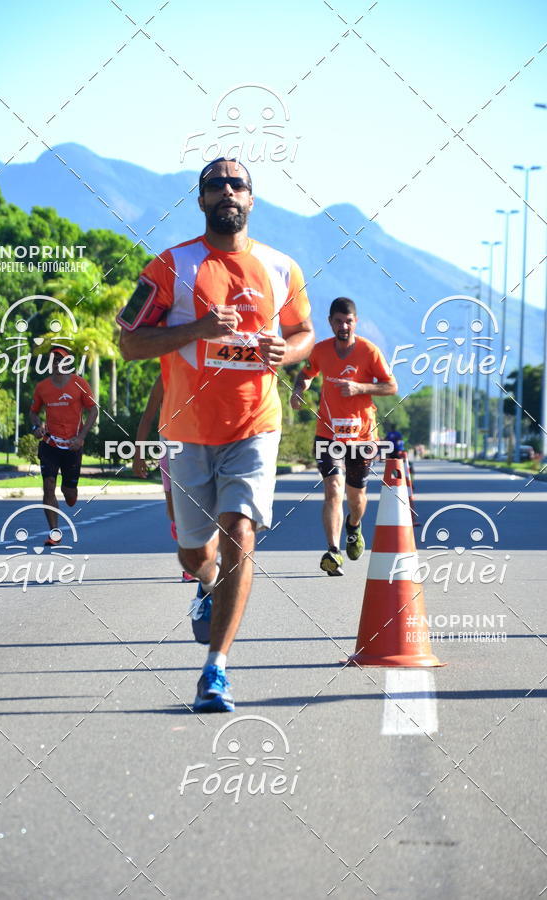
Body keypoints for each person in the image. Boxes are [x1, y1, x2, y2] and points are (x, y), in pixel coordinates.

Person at [118, 157, 314, 712]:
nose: (227, 191)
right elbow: (129, 344)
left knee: (240, 531)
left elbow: (303, 331)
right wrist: (199, 330)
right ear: (201, 200)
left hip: (256, 425)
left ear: (252, 199)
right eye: (215, 185)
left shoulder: (281, 268)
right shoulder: (168, 267)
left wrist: (289, 351)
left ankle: (216, 670)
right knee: (193, 554)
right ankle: (205, 586)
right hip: (186, 431)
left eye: (237, 184)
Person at [291, 297, 397, 576]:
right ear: (330, 323)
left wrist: (359, 388)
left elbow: (390, 386)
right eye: (338, 321)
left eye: (348, 321)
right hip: (328, 434)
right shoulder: (321, 350)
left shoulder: (368, 351)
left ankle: (353, 526)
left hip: (362, 436)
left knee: (356, 496)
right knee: (333, 490)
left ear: (355, 322)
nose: (343, 326)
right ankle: (332, 551)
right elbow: (306, 373)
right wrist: (299, 389)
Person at [132, 373, 197, 582]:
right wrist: (138, 454)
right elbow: (148, 416)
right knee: (174, 512)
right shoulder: (164, 379)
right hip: (169, 450)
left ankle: (193, 565)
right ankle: (181, 530)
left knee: (197, 510)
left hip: (200, 452)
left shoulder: (205, 374)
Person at [29, 346, 97, 544]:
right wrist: (36, 426)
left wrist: (81, 436)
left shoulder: (80, 384)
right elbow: (33, 411)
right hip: (49, 443)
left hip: (73, 446)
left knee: (69, 493)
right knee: (48, 487)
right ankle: (54, 533)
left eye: (60, 359)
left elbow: (93, 411)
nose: (56, 363)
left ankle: (71, 493)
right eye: (53, 360)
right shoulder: (42, 387)